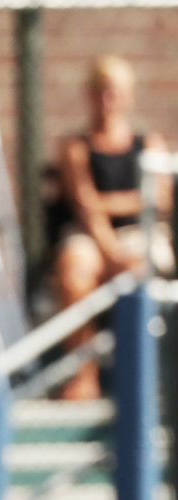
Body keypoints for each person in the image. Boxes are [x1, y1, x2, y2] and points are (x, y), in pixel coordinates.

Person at [51, 54, 171, 400]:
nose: (108, 99)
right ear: (89, 95)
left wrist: (109, 201)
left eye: (115, 91)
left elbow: (160, 199)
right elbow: (86, 207)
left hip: (141, 234)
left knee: (150, 269)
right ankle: (83, 375)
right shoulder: (75, 147)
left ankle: (151, 378)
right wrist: (111, 252)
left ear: (129, 95)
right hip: (91, 238)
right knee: (75, 269)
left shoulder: (149, 143)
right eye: (101, 90)